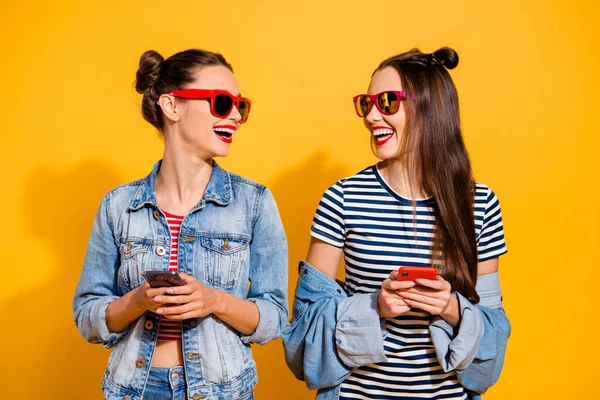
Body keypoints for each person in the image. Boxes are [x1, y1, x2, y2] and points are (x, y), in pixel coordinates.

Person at [283, 47, 510, 400]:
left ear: (428, 107)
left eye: (387, 102)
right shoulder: (342, 198)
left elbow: (491, 354)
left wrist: (451, 308)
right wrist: (376, 306)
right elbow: (301, 340)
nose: (371, 116)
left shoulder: (480, 204)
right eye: (366, 103)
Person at [73, 48, 288, 400]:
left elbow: (274, 318)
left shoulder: (254, 203)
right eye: (221, 103)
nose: (234, 115)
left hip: (222, 392)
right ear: (172, 106)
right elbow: (88, 316)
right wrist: (139, 300)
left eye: (241, 105)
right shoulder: (117, 206)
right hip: (134, 390)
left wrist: (214, 301)